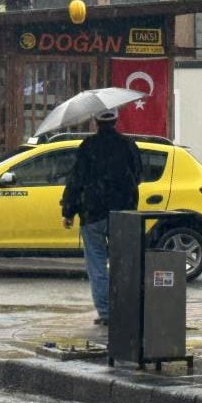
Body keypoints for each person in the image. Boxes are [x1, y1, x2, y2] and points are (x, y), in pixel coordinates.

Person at [60, 109, 143, 326]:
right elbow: (138, 176)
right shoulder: (127, 145)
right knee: (122, 262)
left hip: (93, 213)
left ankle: (106, 313)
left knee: (97, 264)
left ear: (95, 121)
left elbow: (75, 181)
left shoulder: (87, 148)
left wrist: (68, 211)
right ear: (116, 120)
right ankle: (125, 309)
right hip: (124, 213)